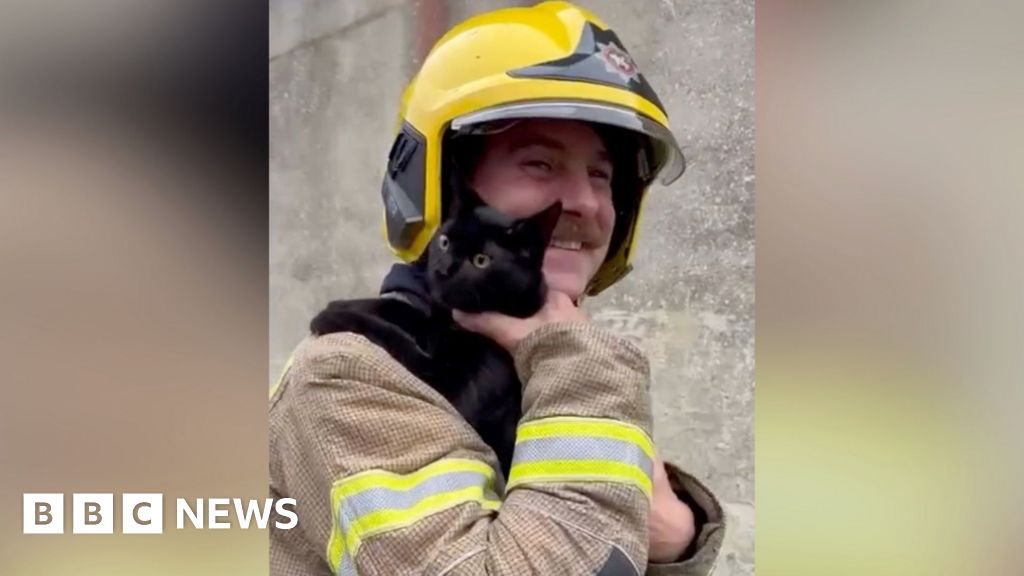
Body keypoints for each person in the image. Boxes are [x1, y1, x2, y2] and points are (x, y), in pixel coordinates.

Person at [269, 2, 725, 574]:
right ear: (440, 184)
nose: (582, 202)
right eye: (539, 164)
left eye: (602, 175)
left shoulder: (548, 368)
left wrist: (675, 539)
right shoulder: (353, 374)